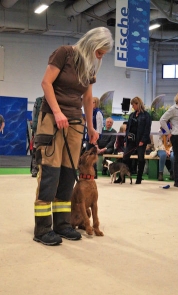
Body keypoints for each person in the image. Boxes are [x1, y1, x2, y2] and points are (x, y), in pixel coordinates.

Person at [33, 27, 114, 246]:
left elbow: (88, 99)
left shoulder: (89, 68)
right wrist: (58, 112)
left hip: (75, 124)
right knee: (50, 172)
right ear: (91, 43)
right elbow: (46, 83)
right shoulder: (64, 53)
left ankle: (62, 224)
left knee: (69, 174)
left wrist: (91, 126)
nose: (100, 57)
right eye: (100, 52)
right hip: (52, 119)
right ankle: (42, 228)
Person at [116, 96, 151, 184]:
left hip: (140, 141)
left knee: (140, 159)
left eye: (133, 105)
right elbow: (128, 128)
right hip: (130, 140)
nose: (132, 107)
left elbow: (147, 129)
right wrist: (125, 139)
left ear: (138, 104)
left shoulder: (146, 115)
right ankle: (122, 178)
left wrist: (143, 140)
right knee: (125, 158)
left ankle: (139, 178)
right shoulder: (132, 115)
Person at [86, 96, 103, 178]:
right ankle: (88, 171)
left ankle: (94, 173)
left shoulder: (98, 112)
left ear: (95, 103)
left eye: (92, 102)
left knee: (93, 156)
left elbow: (99, 127)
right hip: (88, 137)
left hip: (95, 137)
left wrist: (96, 138)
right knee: (88, 155)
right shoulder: (90, 112)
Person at [31, 96, 43, 177]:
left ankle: (42, 170)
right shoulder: (38, 101)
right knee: (36, 149)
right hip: (38, 129)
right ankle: (35, 169)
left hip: (50, 128)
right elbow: (34, 114)